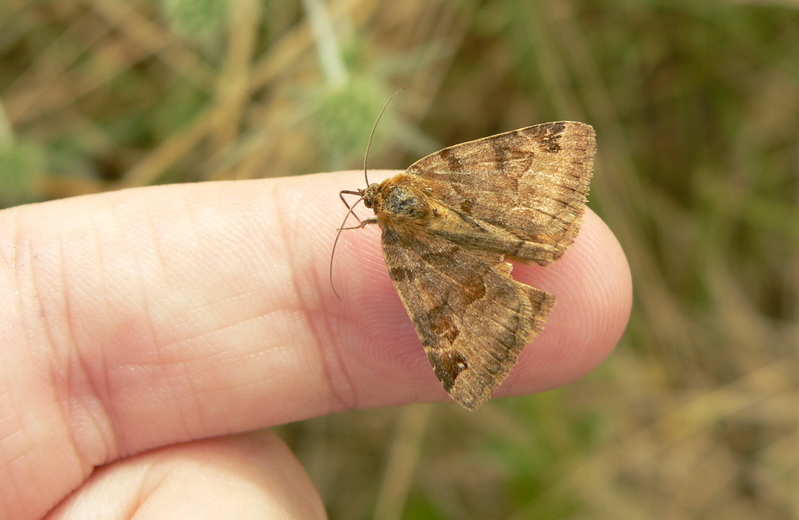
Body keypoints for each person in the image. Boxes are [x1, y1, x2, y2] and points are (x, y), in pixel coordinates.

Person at [0, 172, 632, 519]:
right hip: (483, 199)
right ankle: (528, 244)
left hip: (438, 248)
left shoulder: (396, 240)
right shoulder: (426, 182)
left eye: (374, 198)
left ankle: (518, 273)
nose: (371, 199)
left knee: (461, 322)